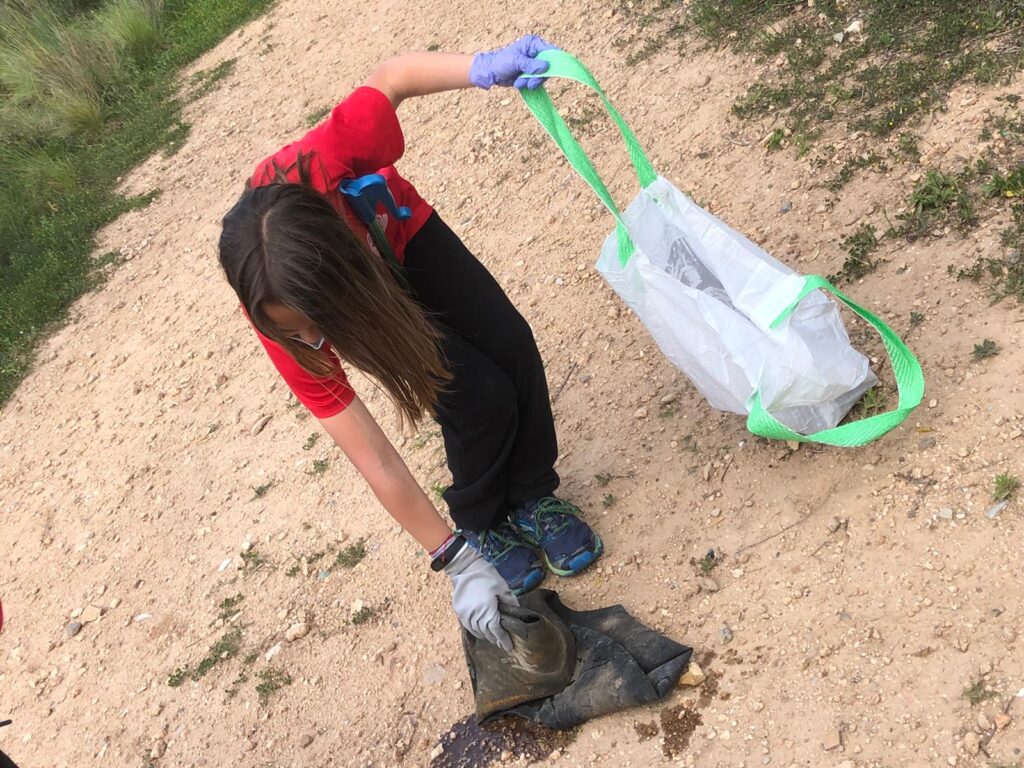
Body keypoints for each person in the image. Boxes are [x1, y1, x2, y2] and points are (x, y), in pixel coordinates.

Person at [218, 35, 603, 651]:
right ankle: (484, 523)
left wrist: (484, 69)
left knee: (510, 343)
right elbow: (371, 453)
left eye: (316, 323)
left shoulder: (327, 158)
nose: (314, 341)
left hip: (393, 231)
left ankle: (533, 495)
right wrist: (453, 558)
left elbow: (392, 77)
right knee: (472, 392)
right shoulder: (278, 316)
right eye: (297, 330)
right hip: (354, 290)